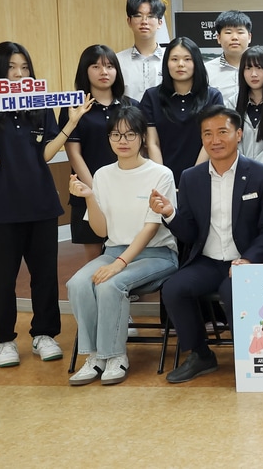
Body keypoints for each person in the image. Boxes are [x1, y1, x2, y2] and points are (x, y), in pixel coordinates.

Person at [0, 42, 88, 368]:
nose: (19, 74)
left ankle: (44, 334)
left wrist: (71, 124)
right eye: (11, 68)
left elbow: (45, 154)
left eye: (24, 67)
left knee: (44, 275)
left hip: (41, 204)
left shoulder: (40, 106)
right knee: (0, 279)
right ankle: (3, 340)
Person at [156, 106, 263, 384]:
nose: (215, 140)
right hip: (209, 261)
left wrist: (248, 260)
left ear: (239, 134)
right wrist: (170, 214)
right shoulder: (191, 177)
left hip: (249, 260)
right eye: (208, 134)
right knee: (173, 288)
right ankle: (200, 354)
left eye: (222, 132)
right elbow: (189, 233)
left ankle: (249, 357)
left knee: (232, 289)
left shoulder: (262, 174)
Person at [65, 106, 179, 386]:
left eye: (130, 134)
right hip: (115, 250)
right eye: (116, 135)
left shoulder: (160, 174)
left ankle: (115, 355)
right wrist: (90, 197)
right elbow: (102, 231)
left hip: (158, 254)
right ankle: (94, 356)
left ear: (142, 137)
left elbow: (151, 228)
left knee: (109, 284)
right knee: (77, 283)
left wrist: (120, 264)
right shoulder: (102, 175)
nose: (122, 141)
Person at [63, 44, 136, 261]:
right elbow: (74, 154)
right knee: (95, 258)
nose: (104, 72)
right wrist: (95, 190)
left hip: (126, 190)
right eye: (96, 66)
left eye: (109, 66)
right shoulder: (74, 107)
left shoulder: (131, 106)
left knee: (128, 252)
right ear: (85, 70)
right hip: (89, 190)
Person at [142, 37, 225, 179]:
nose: (180, 64)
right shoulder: (152, 97)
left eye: (187, 59)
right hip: (161, 176)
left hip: (203, 175)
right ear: (166, 63)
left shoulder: (212, 97)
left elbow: (211, 141)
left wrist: (193, 177)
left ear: (197, 63)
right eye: (174, 59)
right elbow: (152, 142)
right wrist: (163, 178)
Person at [118, 0, 166, 102]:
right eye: (138, 16)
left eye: (150, 16)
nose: (144, 21)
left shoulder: (170, 59)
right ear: (129, 21)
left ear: (160, 22)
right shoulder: (117, 61)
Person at [204, 10, 251, 106]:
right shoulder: (206, 70)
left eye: (240, 32)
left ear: (249, 37)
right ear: (218, 38)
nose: (234, 37)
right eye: (228, 32)